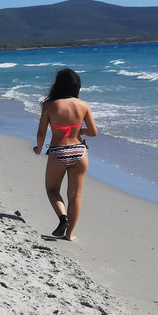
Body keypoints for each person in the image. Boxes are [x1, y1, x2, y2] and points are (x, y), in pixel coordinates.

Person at [34, 68, 97, 240]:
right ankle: (70, 234)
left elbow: (41, 133)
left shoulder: (49, 105)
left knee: (52, 189)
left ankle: (63, 218)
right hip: (79, 151)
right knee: (75, 195)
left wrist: (39, 148)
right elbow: (93, 132)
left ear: (58, 85)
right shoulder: (83, 105)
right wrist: (79, 131)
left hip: (58, 152)